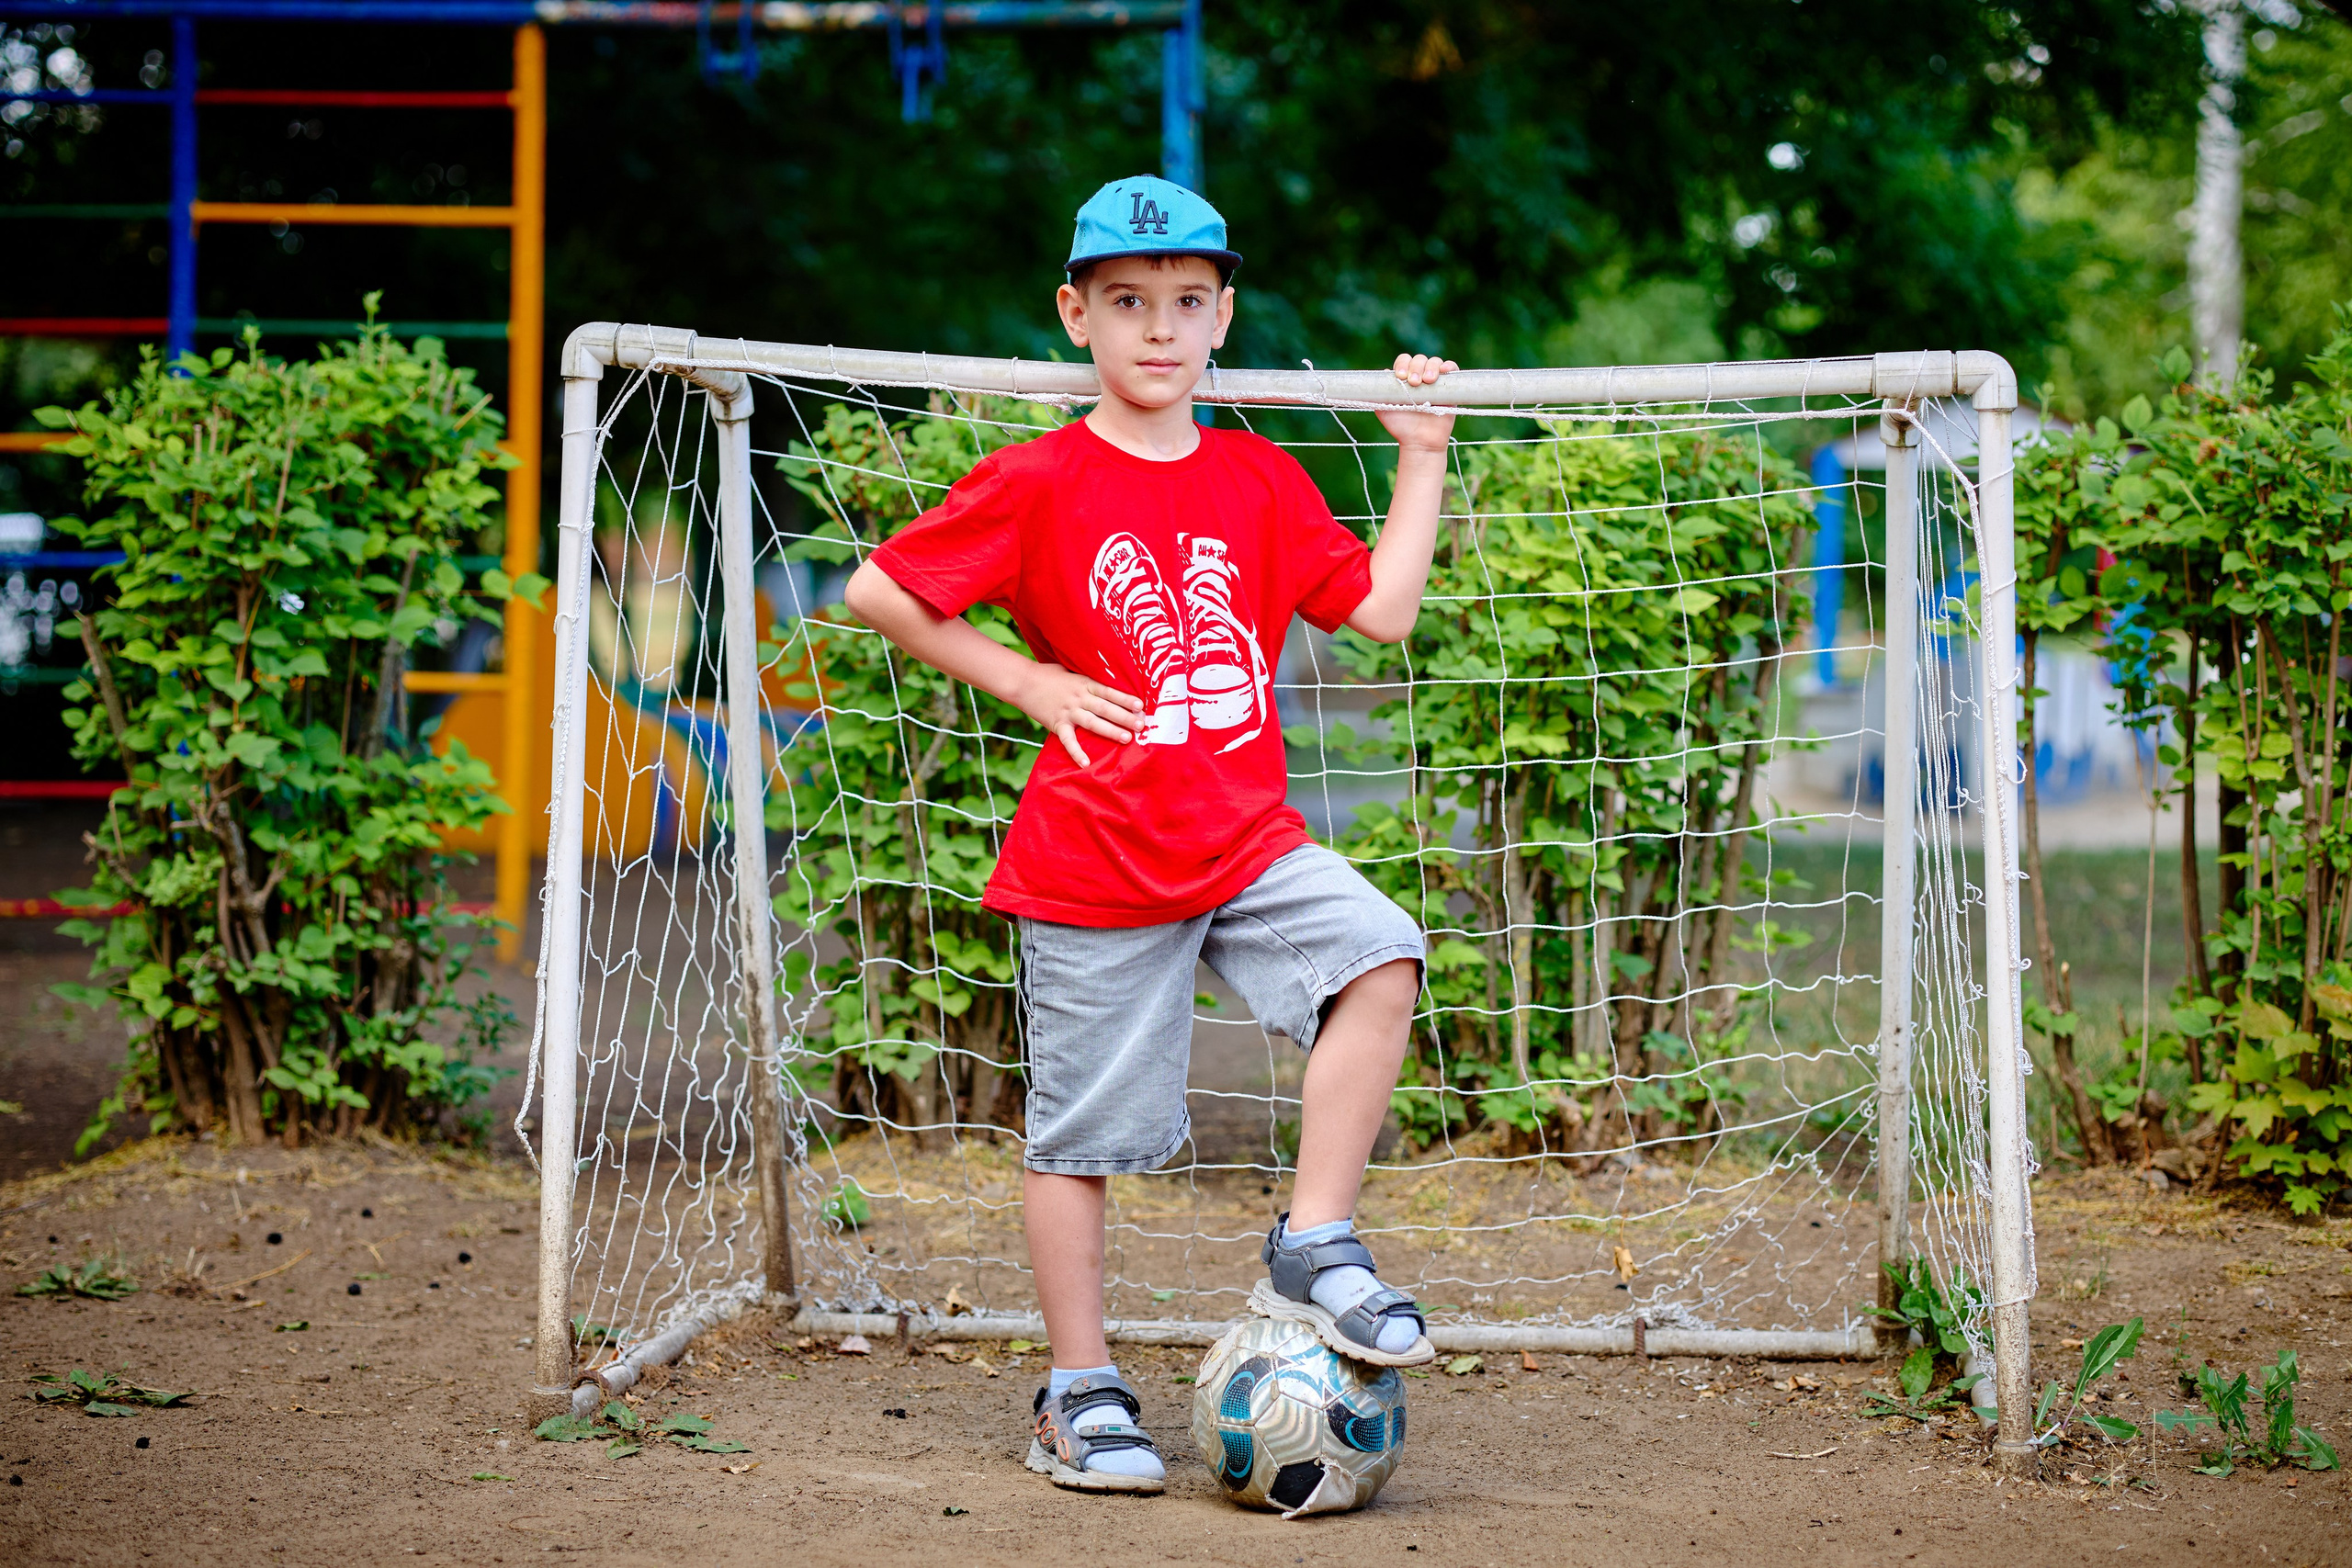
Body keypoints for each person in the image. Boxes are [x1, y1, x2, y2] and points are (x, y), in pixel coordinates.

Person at [842, 174, 1456, 1495]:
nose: (1159, 328)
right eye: (1127, 302)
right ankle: (1080, 1390)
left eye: (1187, 301)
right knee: (1084, 1137)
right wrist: (1031, 681)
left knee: (1381, 952)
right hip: (1097, 860)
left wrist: (1422, 455)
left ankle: (1316, 1239)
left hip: (1246, 840)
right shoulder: (1038, 477)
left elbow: (1384, 613)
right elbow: (880, 587)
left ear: (1225, 316)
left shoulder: (1260, 475)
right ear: (1077, 316)